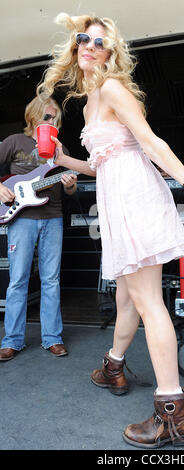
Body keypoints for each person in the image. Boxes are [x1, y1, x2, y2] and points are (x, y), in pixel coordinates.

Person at [37, 13, 184, 448]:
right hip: (116, 196)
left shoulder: (113, 88)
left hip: (135, 199)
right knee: (126, 294)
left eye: (100, 42)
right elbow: (101, 164)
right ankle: (114, 365)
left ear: (112, 52)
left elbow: (151, 142)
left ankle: (172, 413)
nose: (90, 45)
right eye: (83, 38)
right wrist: (64, 160)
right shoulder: (88, 103)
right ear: (75, 46)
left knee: (146, 300)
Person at [0, 96, 78, 361]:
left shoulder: (59, 148)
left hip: (52, 216)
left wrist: (69, 183)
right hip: (21, 219)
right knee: (18, 280)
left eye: (55, 117)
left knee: (51, 279)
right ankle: (12, 340)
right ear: (33, 115)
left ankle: (52, 338)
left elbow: (70, 188)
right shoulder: (14, 142)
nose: (51, 121)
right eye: (47, 116)